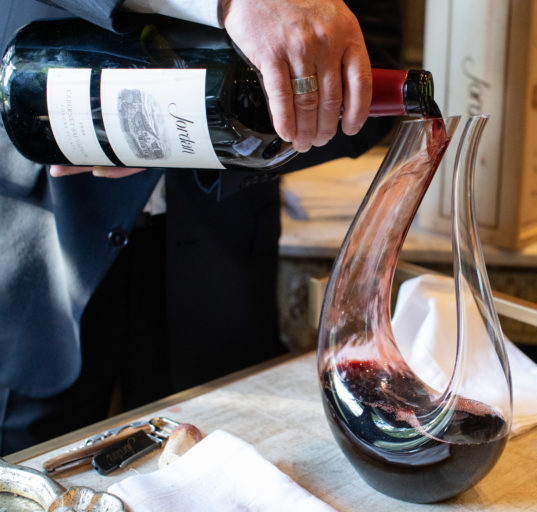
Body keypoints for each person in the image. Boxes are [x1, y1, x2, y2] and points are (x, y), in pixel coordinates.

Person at [0, 0, 402, 455]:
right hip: (48, 227)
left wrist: (210, 132)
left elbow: (369, 70)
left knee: (210, 471)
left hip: (217, 258)